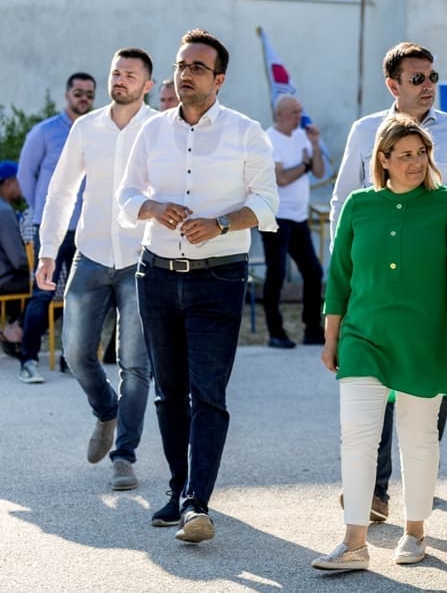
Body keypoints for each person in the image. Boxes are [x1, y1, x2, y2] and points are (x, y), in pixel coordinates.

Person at [117, 28, 278, 544]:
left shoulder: (246, 131)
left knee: (207, 392)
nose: (184, 74)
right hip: (156, 275)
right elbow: (124, 195)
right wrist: (151, 208)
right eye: (180, 65)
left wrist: (223, 223)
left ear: (220, 79)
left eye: (197, 67)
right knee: (169, 394)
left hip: (219, 278)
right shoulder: (151, 131)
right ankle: (178, 488)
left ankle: (196, 503)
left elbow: (268, 204)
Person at [329, 41, 447, 521]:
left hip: (436, 293)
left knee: (424, 404)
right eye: (417, 78)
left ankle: (419, 483)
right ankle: (374, 490)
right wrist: (346, 282)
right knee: (370, 393)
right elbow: (343, 205)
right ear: (393, 85)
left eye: (433, 77)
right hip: (376, 290)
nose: (428, 86)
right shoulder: (364, 132)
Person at [312, 115, 447, 571]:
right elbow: (339, 280)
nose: (416, 162)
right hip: (363, 336)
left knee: (418, 437)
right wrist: (331, 339)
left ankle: (415, 530)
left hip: (426, 339)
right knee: (357, 438)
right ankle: (354, 542)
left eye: (421, 153)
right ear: (382, 160)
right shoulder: (359, 206)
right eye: (404, 155)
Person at [37, 48, 157, 491]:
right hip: (89, 256)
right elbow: (61, 190)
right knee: (75, 352)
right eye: (116, 73)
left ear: (147, 85)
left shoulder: (159, 129)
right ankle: (106, 410)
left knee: (136, 364)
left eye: (130, 75)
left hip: (140, 260)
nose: (119, 80)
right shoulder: (86, 127)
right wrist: (49, 250)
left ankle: (124, 455)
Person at [16, 71, 94, 384]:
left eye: (89, 93)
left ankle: (69, 360)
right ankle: (28, 361)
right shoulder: (45, 132)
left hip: (86, 230)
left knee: (80, 297)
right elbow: (25, 176)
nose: (83, 98)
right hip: (50, 229)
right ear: (67, 95)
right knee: (42, 295)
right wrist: (42, 213)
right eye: (78, 92)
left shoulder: (95, 132)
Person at [260, 94, 325, 348]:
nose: (300, 116)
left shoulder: (302, 137)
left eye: (300, 110)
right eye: (295, 112)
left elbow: (319, 170)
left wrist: (316, 145)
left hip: (299, 217)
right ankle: (276, 333)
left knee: (313, 272)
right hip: (276, 217)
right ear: (281, 115)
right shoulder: (269, 139)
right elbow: (282, 178)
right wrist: (305, 166)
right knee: (276, 275)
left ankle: (312, 329)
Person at [0, 161, 29, 356]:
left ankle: (13, 325)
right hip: (5, 279)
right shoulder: (4, 212)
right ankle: (15, 329)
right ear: (9, 183)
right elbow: (18, 260)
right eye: (21, 182)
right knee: (49, 286)